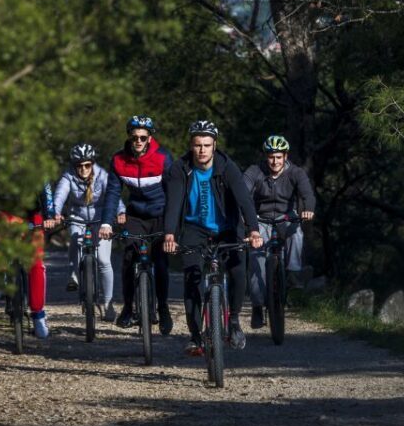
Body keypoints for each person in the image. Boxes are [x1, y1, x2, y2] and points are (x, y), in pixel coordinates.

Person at [163, 120, 263, 354]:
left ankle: (235, 321)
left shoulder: (227, 167)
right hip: (193, 228)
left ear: (214, 145)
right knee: (193, 278)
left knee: (238, 269)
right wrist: (170, 234)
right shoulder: (180, 168)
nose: (202, 150)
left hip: (227, 228)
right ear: (191, 145)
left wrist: (253, 230)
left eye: (207, 145)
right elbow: (174, 203)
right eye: (197, 145)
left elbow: (244, 200)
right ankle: (196, 336)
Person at [99, 115, 174, 334]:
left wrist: (173, 225)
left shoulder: (163, 158)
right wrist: (106, 223)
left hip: (160, 215)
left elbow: (174, 193)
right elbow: (113, 193)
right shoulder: (118, 160)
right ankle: (128, 308)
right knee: (129, 258)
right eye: (135, 138)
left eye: (143, 137)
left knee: (160, 262)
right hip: (136, 216)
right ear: (129, 138)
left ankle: (164, 308)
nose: (138, 141)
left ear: (150, 138)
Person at [243, 135, 316, 328]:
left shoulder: (296, 173)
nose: (275, 161)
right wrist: (247, 220)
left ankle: (292, 273)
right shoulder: (255, 171)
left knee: (296, 233)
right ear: (265, 156)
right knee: (256, 259)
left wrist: (308, 208)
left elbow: (307, 193)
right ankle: (258, 307)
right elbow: (243, 192)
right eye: (271, 157)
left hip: (286, 217)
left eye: (278, 157)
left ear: (285, 156)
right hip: (260, 220)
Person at [53, 143, 125, 321]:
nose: (83, 169)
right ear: (74, 165)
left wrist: (121, 212)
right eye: (79, 165)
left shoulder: (103, 176)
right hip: (76, 218)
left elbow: (113, 195)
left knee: (103, 260)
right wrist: (55, 212)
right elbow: (60, 195)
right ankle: (75, 272)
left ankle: (108, 304)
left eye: (87, 165)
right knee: (76, 241)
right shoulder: (68, 176)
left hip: (100, 220)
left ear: (92, 163)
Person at [0, 180, 57, 338]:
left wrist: (49, 215)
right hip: (3, 212)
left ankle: (38, 315)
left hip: (30, 216)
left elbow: (46, 190)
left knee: (36, 263)